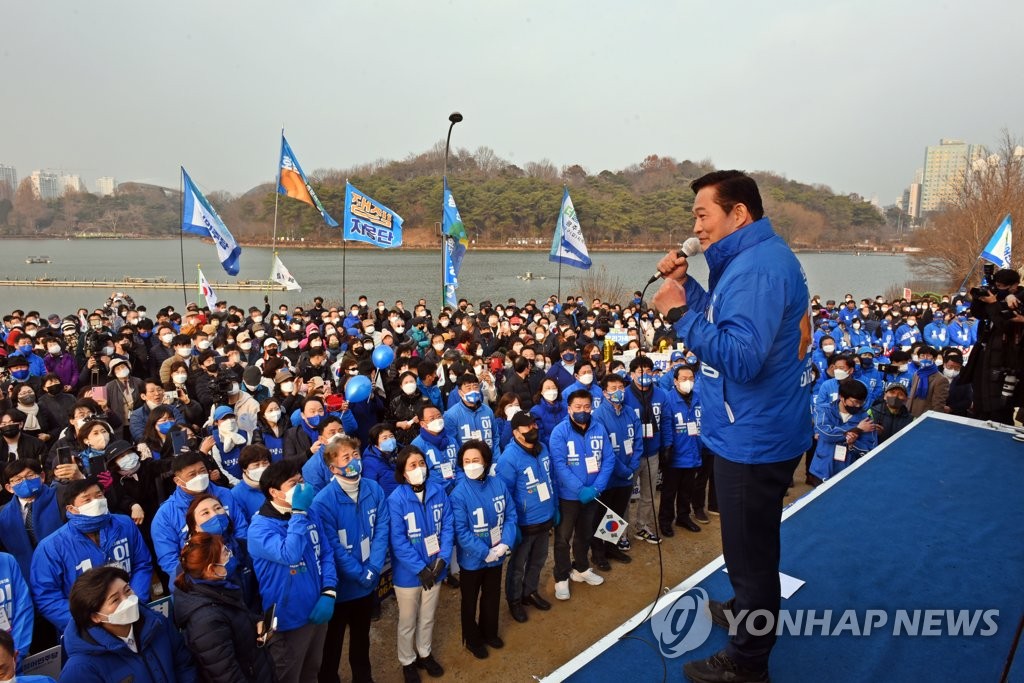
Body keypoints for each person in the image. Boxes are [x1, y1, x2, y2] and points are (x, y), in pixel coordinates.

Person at [651, 170, 813, 681]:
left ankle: (747, 663)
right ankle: (747, 608)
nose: (695, 227)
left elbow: (741, 358)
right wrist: (685, 289)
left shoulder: (757, 270)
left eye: (703, 214)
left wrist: (678, 315)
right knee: (750, 544)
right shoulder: (750, 260)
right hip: (752, 424)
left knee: (751, 554)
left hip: (754, 436)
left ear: (738, 213)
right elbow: (725, 318)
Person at [248, 459, 337, 683]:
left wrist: (328, 590)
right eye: (293, 484)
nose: (302, 488)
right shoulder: (259, 528)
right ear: (274, 492)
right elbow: (290, 555)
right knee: (288, 674)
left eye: (301, 480)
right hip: (288, 619)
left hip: (318, 609)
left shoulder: (310, 511)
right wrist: (298, 513)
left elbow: (325, 552)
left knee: (312, 669)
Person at [310, 435, 389, 683]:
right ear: (333, 468)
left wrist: (374, 568)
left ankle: (363, 678)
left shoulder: (373, 489)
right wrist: (358, 572)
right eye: (346, 457)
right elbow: (331, 545)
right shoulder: (323, 501)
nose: (354, 460)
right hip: (341, 588)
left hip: (367, 582)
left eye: (355, 455)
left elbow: (382, 529)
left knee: (361, 638)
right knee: (332, 644)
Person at [31, 478, 153, 632]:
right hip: (87, 628)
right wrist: (89, 621)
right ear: (72, 508)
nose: (96, 501)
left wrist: (135, 600)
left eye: (99, 495)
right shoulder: (51, 547)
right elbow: (47, 597)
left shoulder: (125, 524)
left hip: (133, 611)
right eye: (87, 499)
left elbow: (142, 563)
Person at [60, 566, 198, 683]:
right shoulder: (80, 669)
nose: (128, 600)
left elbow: (184, 664)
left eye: (127, 590)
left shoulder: (158, 623)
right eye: (115, 600)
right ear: (95, 616)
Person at [172, 532, 274, 683]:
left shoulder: (220, 588)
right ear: (211, 569)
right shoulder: (206, 622)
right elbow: (227, 675)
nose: (230, 554)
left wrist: (256, 623)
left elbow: (236, 619)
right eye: (225, 553)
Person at [387, 445, 452, 682]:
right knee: (407, 619)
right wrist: (419, 568)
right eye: (412, 465)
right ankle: (407, 660)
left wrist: (443, 558)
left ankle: (424, 653)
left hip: (435, 567)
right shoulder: (395, 500)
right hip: (408, 575)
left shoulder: (438, 491)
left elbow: (447, 526)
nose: (419, 469)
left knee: (428, 615)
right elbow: (397, 540)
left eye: (421, 463)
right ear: (403, 472)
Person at [449, 440, 516, 659]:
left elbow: (510, 515)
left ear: (485, 461)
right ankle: (472, 639)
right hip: (472, 560)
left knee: (492, 594)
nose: (471, 464)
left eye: (475, 460)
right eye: (466, 461)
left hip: (497, 553)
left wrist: (505, 544)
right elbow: (461, 531)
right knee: (469, 600)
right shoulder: (458, 494)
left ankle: (489, 632)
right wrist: (484, 552)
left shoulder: (499, 484)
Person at [549, 389, 614, 601]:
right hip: (569, 497)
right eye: (578, 407)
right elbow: (559, 465)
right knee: (562, 539)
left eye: (586, 406)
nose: (583, 411)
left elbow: (608, 459)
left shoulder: (598, 427)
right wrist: (579, 489)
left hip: (593, 493)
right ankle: (561, 577)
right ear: (569, 408)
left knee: (585, 533)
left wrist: (596, 488)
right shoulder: (560, 432)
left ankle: (581, 568)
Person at [496, 412, 557, 623]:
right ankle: (514, 599)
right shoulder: (508, 458)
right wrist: (512, 527)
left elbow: (550, 480)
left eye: (533, 424)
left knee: (538, 560)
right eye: (526, 427)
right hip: (524, 522)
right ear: (515, 432)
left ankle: (529, 591)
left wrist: (554, 508)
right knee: (517, 565)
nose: (532, 429)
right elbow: (505, 496)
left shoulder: (542, 448)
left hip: (545, 516)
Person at [151, 451, 249, 580]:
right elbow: (168, 559)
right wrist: (197, 578)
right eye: (192, 474)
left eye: (202, 471)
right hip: (198, 580)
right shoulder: (165, 515)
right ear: (178, 481)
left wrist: (234, 561)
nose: (200, 476)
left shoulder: (225, 494)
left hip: (236, 569)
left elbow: (241, 529)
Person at [590, 373, 640, 567]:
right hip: (607, 476)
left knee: (617, 514)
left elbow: (638, 441)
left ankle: (611, 547)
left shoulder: (630, 412)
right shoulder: (598, 416)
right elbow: (605, 451)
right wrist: (623, 470)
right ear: (604, 392)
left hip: (627, 475)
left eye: (621, 387)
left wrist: (632, 466)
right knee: (601, 514)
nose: (618, 391)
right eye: (613, 388)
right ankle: (598, 552)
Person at [659, 364, 704, 536]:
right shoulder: (668, 399)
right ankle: (665, 520)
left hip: (694, 452)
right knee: (669, 491)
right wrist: (667, 447)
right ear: (675, 381)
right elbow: (666, 425)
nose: (688, 382)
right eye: (684, 379)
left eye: (691, 379)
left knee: (687, 490)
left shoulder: (699, 398)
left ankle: (683, 517)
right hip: (675, 454)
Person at [808, 379, 879, 482]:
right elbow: (826, 433)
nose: (858, 406)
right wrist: (858, 429)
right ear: (842, 397)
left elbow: (870, 450)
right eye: (854, 402)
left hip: (848, 472)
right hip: (822, 468)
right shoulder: (824, 410)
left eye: (861, 402)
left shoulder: (866, 420)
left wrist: (852, 445)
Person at [230, 444, 271, 521]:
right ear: (245, 469)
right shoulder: (236, 494)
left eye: (265, 463)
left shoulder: (279, 483)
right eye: (256, 465)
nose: (262, 467)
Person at [906, 345, 950, 418]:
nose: (925, 358)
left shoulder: (941, 379)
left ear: (934, 358)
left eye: (928, 356)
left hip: (925, 416)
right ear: (918, 358)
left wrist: (933, 419)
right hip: (910, 413)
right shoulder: (917, 374)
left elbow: (938, 404)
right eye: (922, 356)